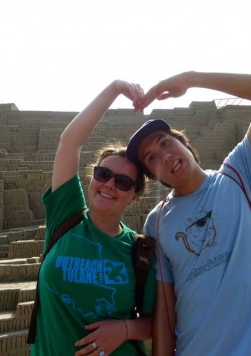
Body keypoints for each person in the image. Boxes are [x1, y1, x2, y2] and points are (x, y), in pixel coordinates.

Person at [126, 71, 251, 355]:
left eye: (164, 142)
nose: (166, 156)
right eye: (152, 159)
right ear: (153, 176)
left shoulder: (240, 174)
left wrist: (191, 79)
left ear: (182, 140)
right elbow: (166, 309)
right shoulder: (156, 221)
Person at [30, 80, 156, 356]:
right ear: (92, 177)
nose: (110, 185)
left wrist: (124, 330)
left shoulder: (141, 251)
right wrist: (114, 88)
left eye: (123, 182)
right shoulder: (65, 217)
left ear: (134, 195)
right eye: (103, 174)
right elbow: (69, 142)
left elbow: (156, 323)